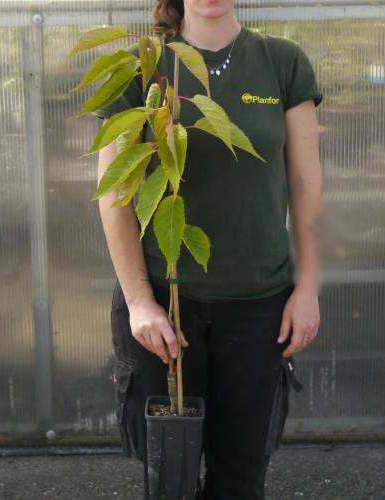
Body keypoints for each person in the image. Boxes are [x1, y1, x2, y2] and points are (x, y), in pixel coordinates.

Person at [92, 0, 323, 498]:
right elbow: (115, 193)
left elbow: (306, 184)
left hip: (260, 305)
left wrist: (307, 287)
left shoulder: (282, 62)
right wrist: (138, 302)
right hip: (165, 308)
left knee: (241, 476)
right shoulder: (143, 67)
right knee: (169, 477)